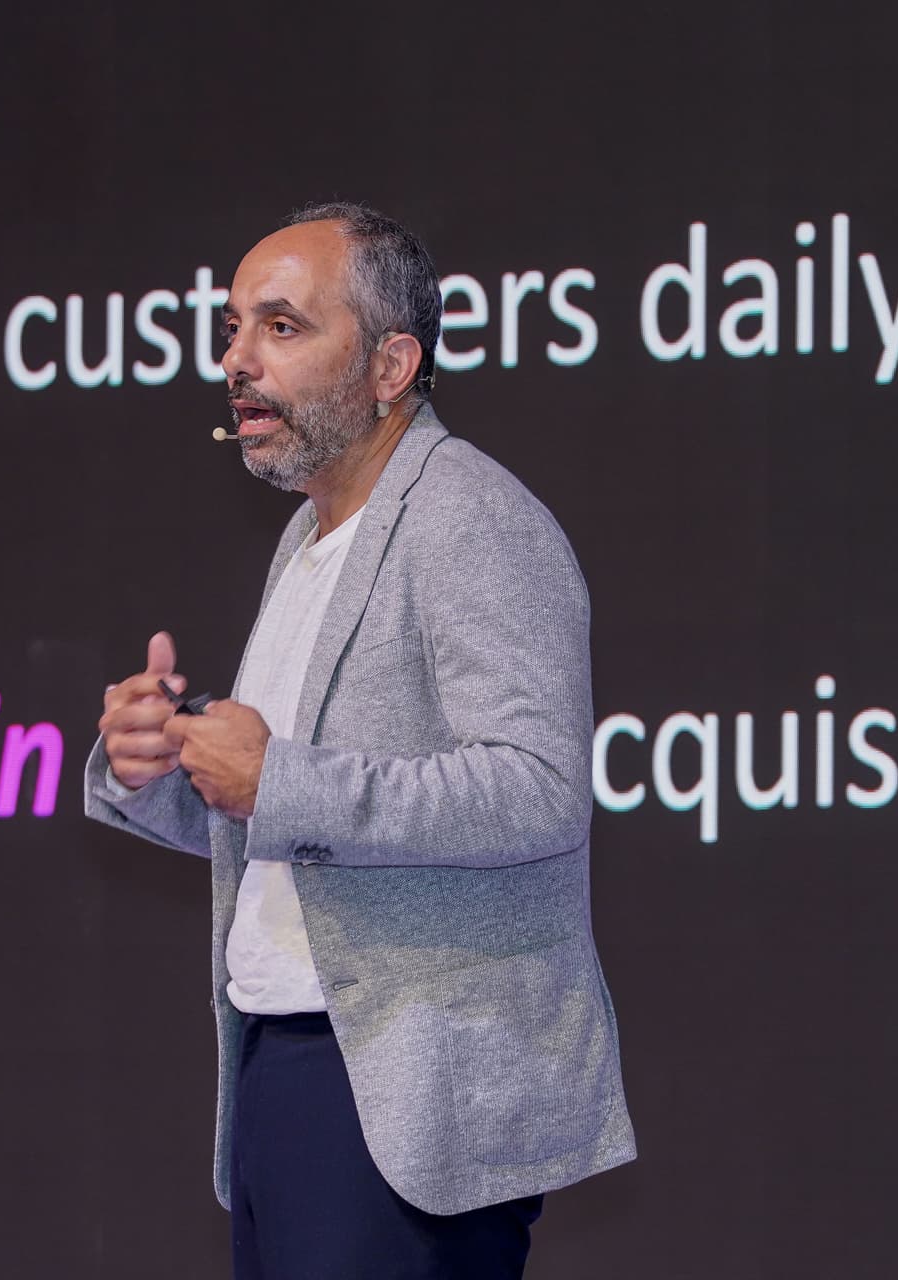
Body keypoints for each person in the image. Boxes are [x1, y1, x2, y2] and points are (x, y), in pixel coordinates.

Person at [84, 202, 634, 1279]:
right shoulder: (308, 537)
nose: (237, 359)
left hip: (404, 1087)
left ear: (391, 364)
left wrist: (277, 776)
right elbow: (287, 817)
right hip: (284, 1067)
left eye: (281, 327)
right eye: (234, 328)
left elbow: (539, 788)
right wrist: (155, 766)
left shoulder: (468, 514)